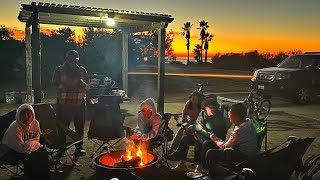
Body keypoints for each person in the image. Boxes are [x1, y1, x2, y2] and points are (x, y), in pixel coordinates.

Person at [170, 98, 228, 172]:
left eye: (214, 107)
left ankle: (199, 167)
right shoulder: (203, 113)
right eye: (210, 107)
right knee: (185, 138)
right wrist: (190, 129)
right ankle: (182, 163)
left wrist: (203, 129)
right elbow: (196, 125)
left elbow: (214, 134)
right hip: (199, 135)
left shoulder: (218, 118)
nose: (212, 109)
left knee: (199, 144)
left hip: (211, 139)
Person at [52, 49, 89, 157]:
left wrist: (83, 84)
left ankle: (79, 149)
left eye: (74, 60)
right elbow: (54, 83)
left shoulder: (82, 70)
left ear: (77, 60)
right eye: (70, 60)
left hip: (79, 103)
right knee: (63, 127)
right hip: (64, 104)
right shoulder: (59, 70)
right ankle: (62, 148)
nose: (72, 62)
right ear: (67, 59)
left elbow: (88, 83)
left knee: (79, 127)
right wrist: (63, 86)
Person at [206, 103, 258, 179]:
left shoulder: (240, 130)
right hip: (244, 151)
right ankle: (210, 172)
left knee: (210, 153)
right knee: (207, 144)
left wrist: (214, 138)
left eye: (230, 112)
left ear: (236, 116)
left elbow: (224, 146)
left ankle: (217, 176)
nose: (228, 113)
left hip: (245, 157)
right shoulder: (247, 122)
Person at [1, 104, 51, 180]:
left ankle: (44, 177)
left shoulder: (35, 123)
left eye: (28, 113)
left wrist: (33, 143)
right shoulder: (15, 128)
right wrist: (34, 143)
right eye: (23, 114)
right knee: (32, 156)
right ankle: (32, 177)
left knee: (42, 152)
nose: (26, 116)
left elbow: (37, 138)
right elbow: (22, 149)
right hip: (9, 152)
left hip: (26, 149)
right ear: (18, 115)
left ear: (33, 114)